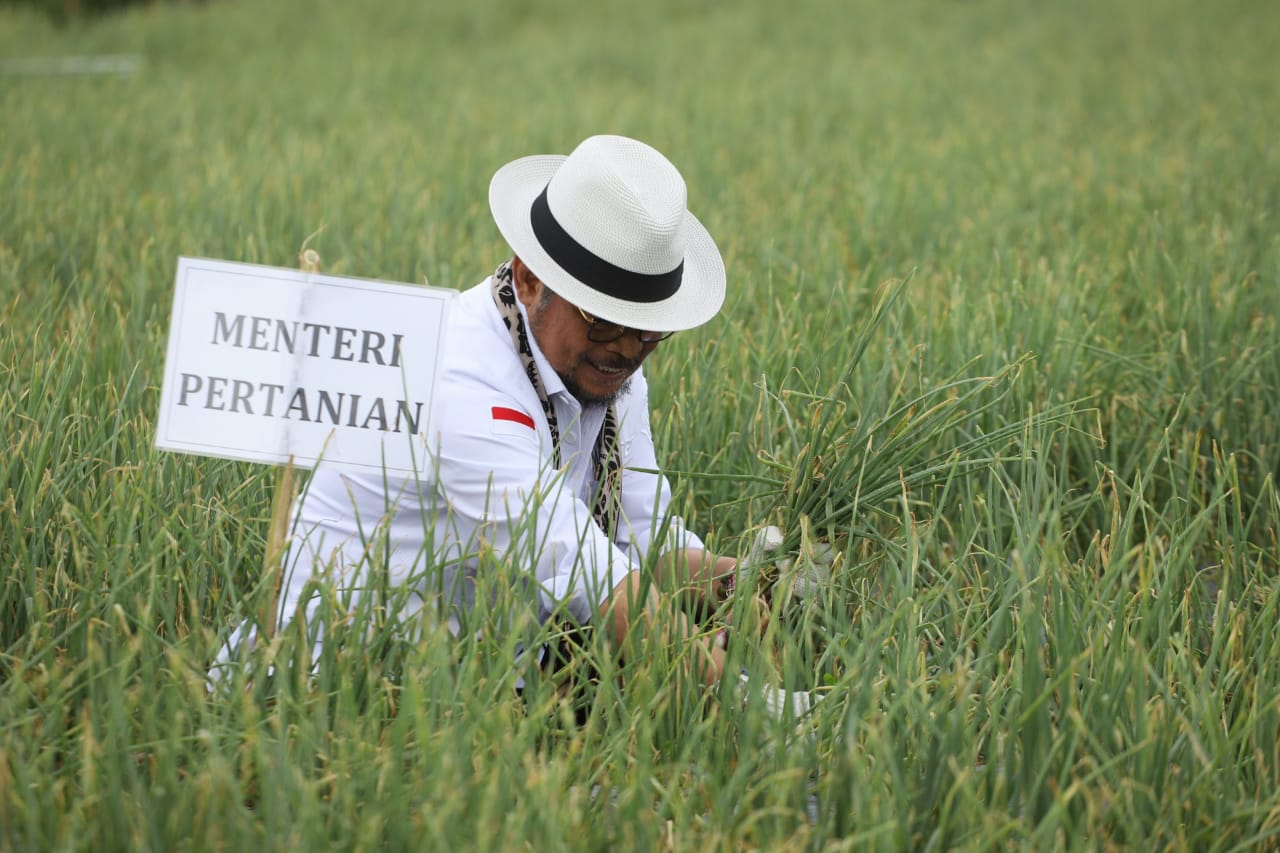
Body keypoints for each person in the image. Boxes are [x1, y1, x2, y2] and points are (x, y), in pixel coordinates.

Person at [223, 135, 812, 716]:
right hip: (327, 694)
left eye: (651, 331)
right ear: (530, 280)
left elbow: (642, 532)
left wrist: (750, 587)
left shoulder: (607, 371)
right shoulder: (453, 376)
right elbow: (581, 564)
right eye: (604, 322)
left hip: (472, 683)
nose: (629, 350)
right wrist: (756, 709)